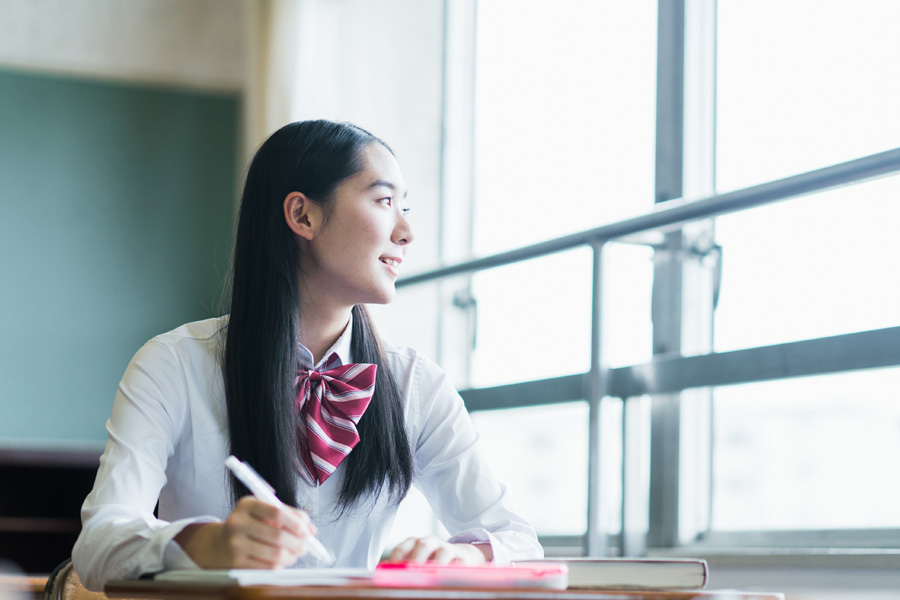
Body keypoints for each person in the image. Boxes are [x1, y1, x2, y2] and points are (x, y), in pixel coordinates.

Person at [72, 120, 542, 591]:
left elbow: (518, 542)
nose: (406, 232)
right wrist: (208, 545)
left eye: (406, 208)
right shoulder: (173, 365)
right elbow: (97, 545)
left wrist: (460, 556)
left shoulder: (416, 384)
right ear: (303, 216)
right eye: (384, 201)